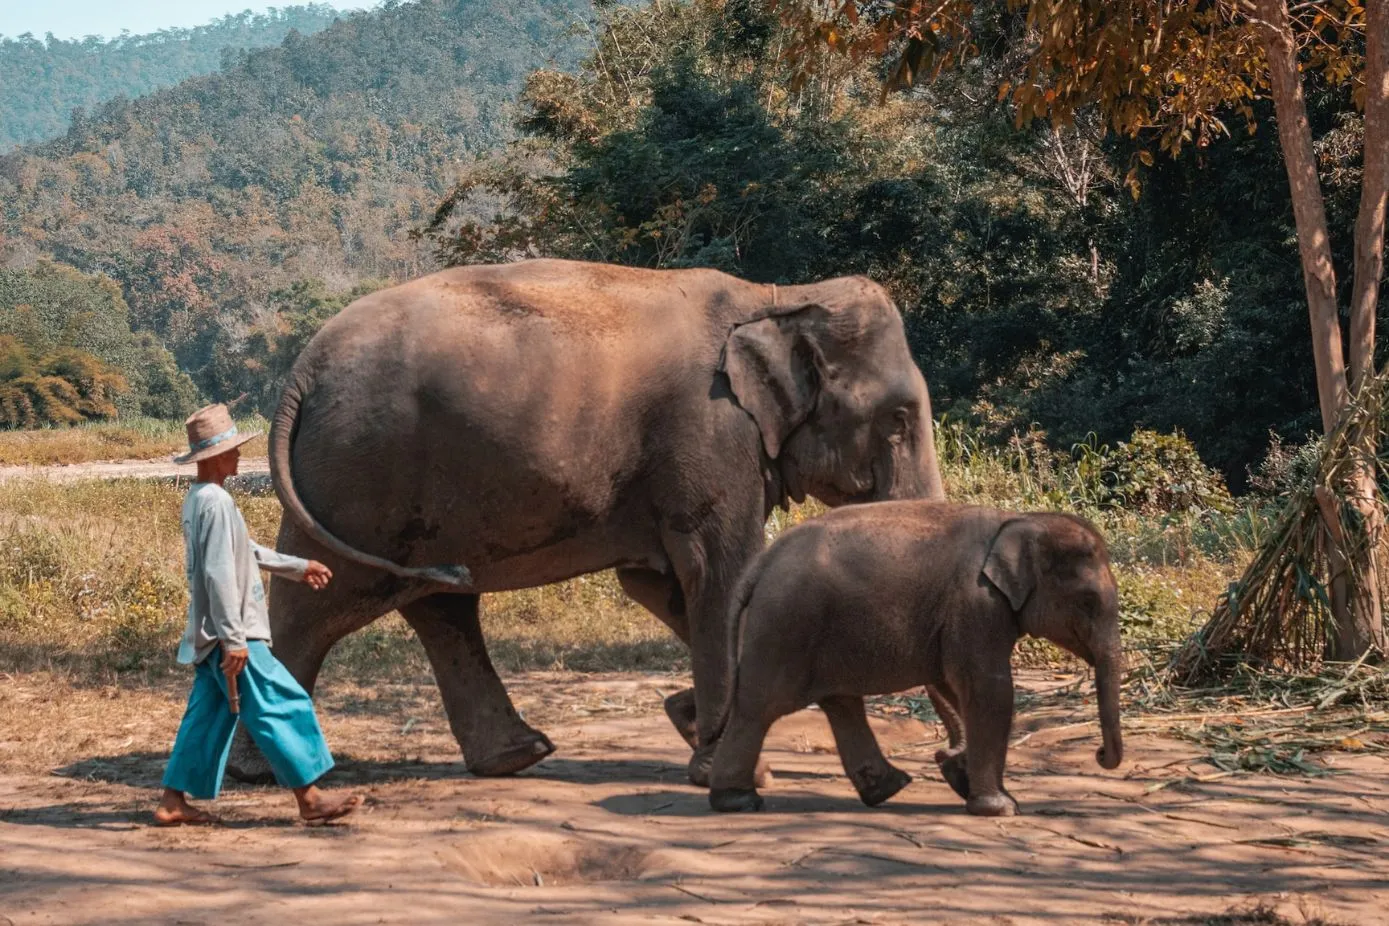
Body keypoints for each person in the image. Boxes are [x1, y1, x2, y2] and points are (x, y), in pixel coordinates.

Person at [154, 403, 362, 826]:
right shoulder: (215, 501)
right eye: (232, 449)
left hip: (211, 634)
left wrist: (297, 567)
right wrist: (234, 638)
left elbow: (241, 552)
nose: (237, 455)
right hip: (233, 632)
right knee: (281, 703)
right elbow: (217, 572)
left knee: (206, 716)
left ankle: (173, 801)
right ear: (214, 457)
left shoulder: (201, 499)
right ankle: (309, 797)